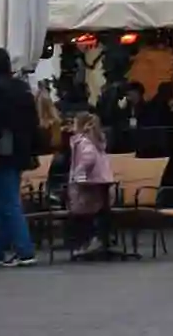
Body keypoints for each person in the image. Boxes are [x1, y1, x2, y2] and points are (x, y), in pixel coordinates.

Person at [0, 47, 42, 268]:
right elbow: (33, 121)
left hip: (5, 149)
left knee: (10, 201)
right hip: (22, 149)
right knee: (5, 200)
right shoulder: (22, 88)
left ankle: (25, 250)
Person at [63, 111, 115, 259]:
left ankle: (84, 243)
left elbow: (87, 158)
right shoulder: (96, 140)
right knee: (98, 210)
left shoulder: (83, 141)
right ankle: (99, 240)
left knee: (82, 213)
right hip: (102, 182)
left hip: (87, 184)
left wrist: (79, 174)